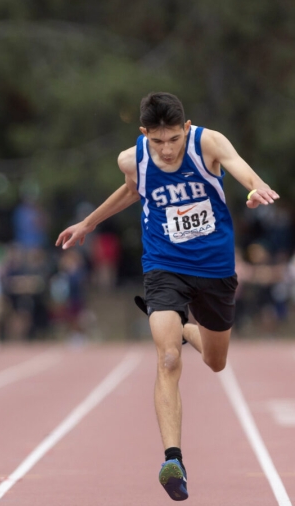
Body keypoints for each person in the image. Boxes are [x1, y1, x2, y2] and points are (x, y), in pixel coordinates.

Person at [56, 92, 278, 501]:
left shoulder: (207, 143)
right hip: (163, 265)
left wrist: (256, 187)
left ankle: (189, 331)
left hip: (214, 270)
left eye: (173, 139)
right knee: (168, 356)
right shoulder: (132, 159)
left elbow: (239, 167)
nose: (167, 149)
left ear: (186, 129)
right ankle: (172, 459)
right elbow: (131, 191)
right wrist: (87, 223)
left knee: (215, 361)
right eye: (157, 141)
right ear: (144, 134)